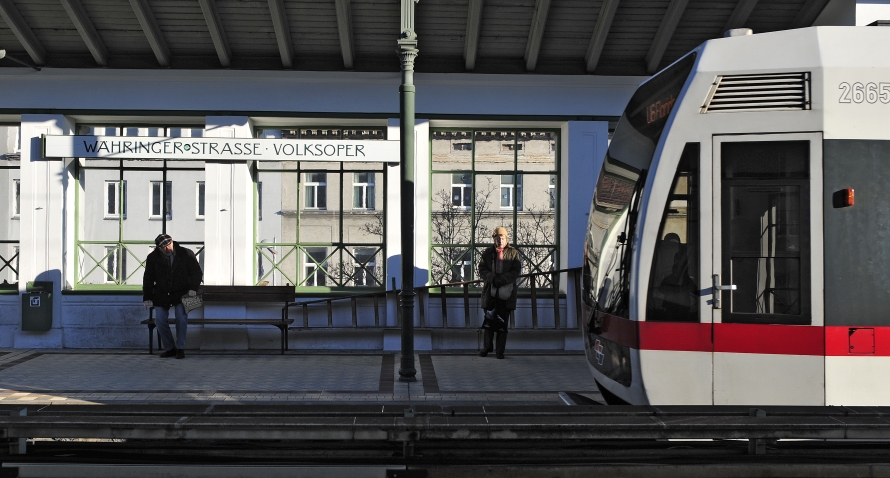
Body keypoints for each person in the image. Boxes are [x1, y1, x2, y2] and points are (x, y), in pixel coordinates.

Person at [142, 234, 203, 359]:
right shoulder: (152, 257)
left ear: (172, 242)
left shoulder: (186, 253)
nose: (168, 249)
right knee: (159, 320)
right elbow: (148, 278)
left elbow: (197, 272)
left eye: (169, 245)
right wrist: (147, 297)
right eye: (164, 247)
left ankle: (180, 348)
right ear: (159, 248)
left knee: (181, 317)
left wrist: (193, 288)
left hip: (182, 292)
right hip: (162, 293)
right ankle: (170, 348)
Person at [479, 226, 522, 359]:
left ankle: (500, 351)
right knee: (488, 322)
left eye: (502, 238)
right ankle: (487, 347)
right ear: (494, 239)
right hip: (490, 293)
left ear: (506, 239)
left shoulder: (513, 253)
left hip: (506, 294)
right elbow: (482, 269)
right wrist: (492, 278)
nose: (500, 241)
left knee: (502, 324)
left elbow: (516, 271)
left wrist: (502, 280)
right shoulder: (487, 253)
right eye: (497, 238)